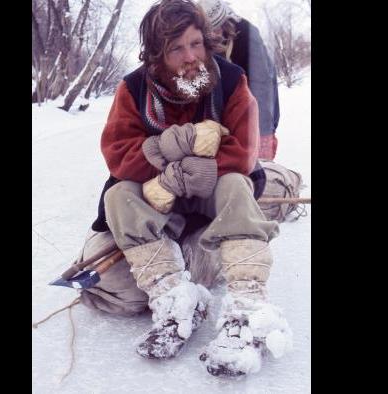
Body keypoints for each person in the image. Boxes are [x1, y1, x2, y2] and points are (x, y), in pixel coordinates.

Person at [83, 0, 291, 377]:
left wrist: (201, 169)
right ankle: (176, 301)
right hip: (159, 193)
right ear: (155, 56)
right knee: (118, 195)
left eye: (195, 43)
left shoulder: (230, 79)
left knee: (235, 185)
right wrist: (166, 158)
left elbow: (243, 149)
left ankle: (247, 308)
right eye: (176, 48)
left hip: (211, 186)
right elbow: (118, 154)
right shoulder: (133, 88)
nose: (190, 56)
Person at [198, 0, 281, 161]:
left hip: (258, 112)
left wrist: (264, 133)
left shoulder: (247, 35)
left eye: (218, 26)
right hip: (227, 119)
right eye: (209, 30)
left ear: (226, 21)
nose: (216, 34)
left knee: (258, 169)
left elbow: (262, 86)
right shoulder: (201, 44)